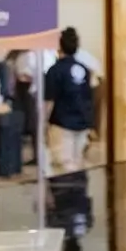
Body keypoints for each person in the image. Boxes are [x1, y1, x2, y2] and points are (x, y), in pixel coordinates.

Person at [43, 28, 94, 174]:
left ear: (59, 46)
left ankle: (66, 197)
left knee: (63, 168)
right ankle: (78, 195)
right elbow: (87, 97)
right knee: (78, 165)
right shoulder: (84, 69)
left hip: (62, 124)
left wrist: (43, 124)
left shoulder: (55, 71)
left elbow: (49, 101)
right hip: (82, 123)